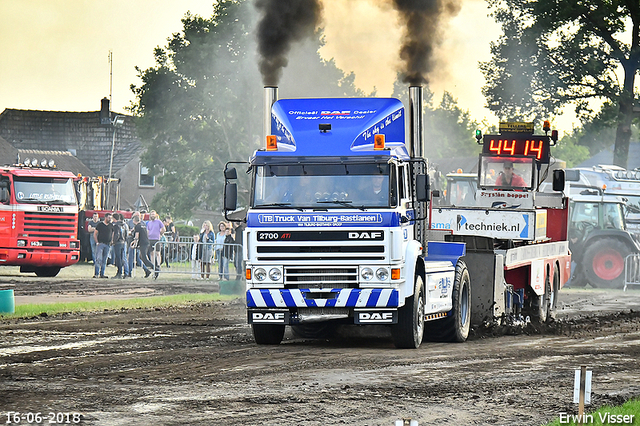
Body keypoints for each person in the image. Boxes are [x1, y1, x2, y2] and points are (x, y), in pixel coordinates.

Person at [130, 214, 154, 278]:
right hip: (146, 242)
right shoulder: (142, 225)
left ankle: (154, 268)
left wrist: (134, 244)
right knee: (141, 257)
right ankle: (147, 271)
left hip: (143, 243)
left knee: (144, 257)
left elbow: (136, 236)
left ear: (134, 220)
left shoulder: (137, 226)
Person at [146, 210, 165, 279]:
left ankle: (158, 264)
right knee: (151, 253)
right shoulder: (149, 223)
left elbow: (163, 229)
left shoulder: (159, 222)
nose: (152, 216)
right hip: (150, 239)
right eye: (151, 214)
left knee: (157, 252)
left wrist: (160, 234)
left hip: (157, 239)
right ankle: (153, 265)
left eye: (153, 214)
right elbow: (148, 230)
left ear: (156, 215)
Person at [93, 213, 113, 278]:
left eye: (110, 218)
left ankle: (102, 274)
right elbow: (95, 234)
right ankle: (96, 274)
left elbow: (113, 233)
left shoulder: (111, 225)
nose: (110, 219)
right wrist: (97, 242)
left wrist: (111, 241)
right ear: (105, 217)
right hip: (101, 244)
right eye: (109, 218)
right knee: (98, 259)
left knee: (105, 260)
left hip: (108, 244)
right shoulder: (100, 225)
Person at [111, 213, 128, 279]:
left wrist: (113, 242)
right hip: (123, 243)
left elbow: (117, 234)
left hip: (118, 243)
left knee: (118, 259)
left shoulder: (116, 226)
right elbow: (126, 234)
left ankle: (119, 273)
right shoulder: (123, 225)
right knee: (122, 258)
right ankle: (123, 272)